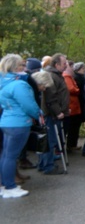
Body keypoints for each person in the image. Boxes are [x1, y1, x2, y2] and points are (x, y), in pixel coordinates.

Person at [0, 56, 52, 199]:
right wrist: (38, 114)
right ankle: (10, 186)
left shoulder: (4, 82)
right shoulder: (19, 85)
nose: (25, 67)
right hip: (19, 123)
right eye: (22, 65)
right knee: (10, 156)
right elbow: (29, 105)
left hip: (6, 121)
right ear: (16, 67)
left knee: (6, 155)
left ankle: (5, 185)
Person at [38, 53, 70, 175]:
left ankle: (44, 164)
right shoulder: (52, 76)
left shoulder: (55, 75)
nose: (66, 65)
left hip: (55, 112)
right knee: (50, 140)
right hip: (52, 114)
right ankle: (48, 166)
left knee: (48, 139)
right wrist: (58, 112)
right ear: (56, 64)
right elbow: (51, 98)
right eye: (64, 64)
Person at [62, 61, 82, 152]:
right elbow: (71, 89)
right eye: (71, 66)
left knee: (74, 126)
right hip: (71, 105)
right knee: (72, 126)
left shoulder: (69, 77)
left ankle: (72, 144)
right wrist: (77, 89)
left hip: (73, 105)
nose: (73, 68)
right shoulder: (67, 77)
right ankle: (70, 145)